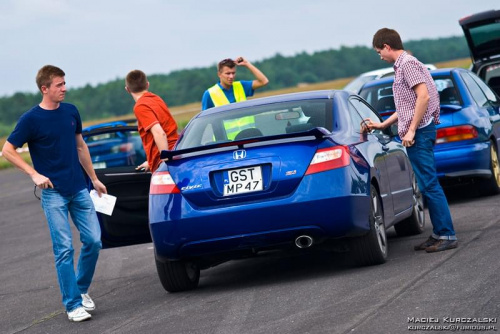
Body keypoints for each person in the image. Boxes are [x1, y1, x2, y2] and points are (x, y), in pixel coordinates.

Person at [1, 65, 107, 322]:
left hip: (80, 189)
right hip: (53, 194)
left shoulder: (71, 111)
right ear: (44, 88)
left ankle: (80, 290)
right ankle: (72, 305)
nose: (64, 88)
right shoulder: (31, 119)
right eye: (59, 85)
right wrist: (33, 174)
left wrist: (94, 178)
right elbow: (7, 150)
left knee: (94, 241)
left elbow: (80, 146)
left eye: (64, 83)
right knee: (64, 250)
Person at [364, 28, 458, 253]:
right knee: (426, 185)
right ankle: (438, 234)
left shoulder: (407, 64)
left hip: (420, 133)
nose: (380, 56)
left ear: (387, 46)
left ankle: (447, 234)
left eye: (379, 52)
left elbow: (423, 96)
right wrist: (384, 124)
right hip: (418, 132)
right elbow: (407, 104)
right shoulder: (405, 65)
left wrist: (411, 131)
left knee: (429, 184)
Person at [125, 70, 179, 172]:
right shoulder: (156, 99)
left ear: (127, 89)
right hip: (176, 151)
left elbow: (160, 133)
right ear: (147, 85)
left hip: (166, 159)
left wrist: (165, 162)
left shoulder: (140, 106)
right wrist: (150, 162)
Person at [201, 57, 269, 110]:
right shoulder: (209, 94)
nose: (231, 76)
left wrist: (247, 64)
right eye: (228, 73)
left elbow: (264, 81)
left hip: (248, 128)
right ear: (219, 74)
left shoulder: (241, 86)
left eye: (233, 73)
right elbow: (205, 119)